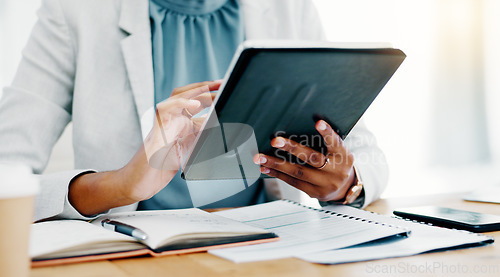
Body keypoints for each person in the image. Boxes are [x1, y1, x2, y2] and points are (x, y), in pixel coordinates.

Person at [0, 0, 388, 222]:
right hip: (132, 255)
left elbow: (367, 154)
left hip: (264, 245)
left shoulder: (287, 8)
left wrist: (345, 183)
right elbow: (5, 174)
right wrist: (120, 185)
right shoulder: (75, 12)